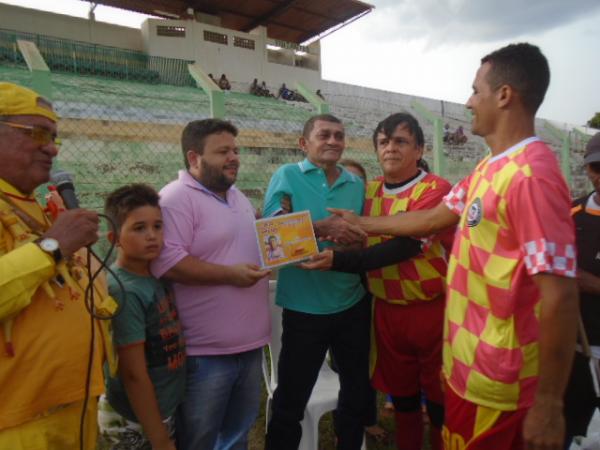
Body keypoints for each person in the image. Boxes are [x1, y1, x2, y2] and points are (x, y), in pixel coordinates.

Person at [330, 43, 579, 450]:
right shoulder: (489, 166)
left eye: (475, 90)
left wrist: (549, 403)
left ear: (504, 96)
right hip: (470, 366)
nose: (468, 101)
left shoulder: (532, 176)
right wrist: (361, 222)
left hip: (503, 379)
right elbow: (431, 220)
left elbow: (560, 297)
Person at [305, 114, 453, 450]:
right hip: (385, 311)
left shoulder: (436, 190)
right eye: (383, 142)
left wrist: (338, 261)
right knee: (402, 397)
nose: (390, 148)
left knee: (441, 397)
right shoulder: (367, 191)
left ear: (419, 148)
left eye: (400, 141)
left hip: (432, 311)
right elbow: (344, 232)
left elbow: (404, 247)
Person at [0, 82, 115, 449]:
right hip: (17, 422)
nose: (51, 148)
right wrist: (53, 246)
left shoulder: (38, 205)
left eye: (53, 136)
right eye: (35, 133)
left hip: (76, 403)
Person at [151, 118, 270, 450]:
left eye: (235, 149)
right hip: (205, 353)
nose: (234, 157)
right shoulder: (176, 198)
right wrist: (231, 275)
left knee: (236, 436)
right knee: (199, 439)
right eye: (223, 151)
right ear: (194, 158)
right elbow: (167, 261)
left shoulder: (238, 197)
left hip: (248, 347)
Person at [263, 114, 371, 450]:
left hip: (352, 304)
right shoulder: (287, 176)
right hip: (304, 309)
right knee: (290, 401)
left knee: (355, 395)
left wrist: (354, 243)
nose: (333, 141)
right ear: (303, 143)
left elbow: (362, 240)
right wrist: (322, 229)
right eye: (324, 135)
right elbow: (274, 239)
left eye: (339, 135)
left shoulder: (355, 185)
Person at [98, 184, 185, 450]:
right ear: (114, 238)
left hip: (158, 412)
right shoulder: (124, 290)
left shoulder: (152, 277)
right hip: (133, 420)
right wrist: (158, 437)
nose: (152, 236)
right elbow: (132, 373)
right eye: (139, 228)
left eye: (157, 226)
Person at [563, 132, 600, 447]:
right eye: (598, 167)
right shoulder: (570, 213)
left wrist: (595, 285)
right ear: (588, 169)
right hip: (572, 346)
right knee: (569, 424)